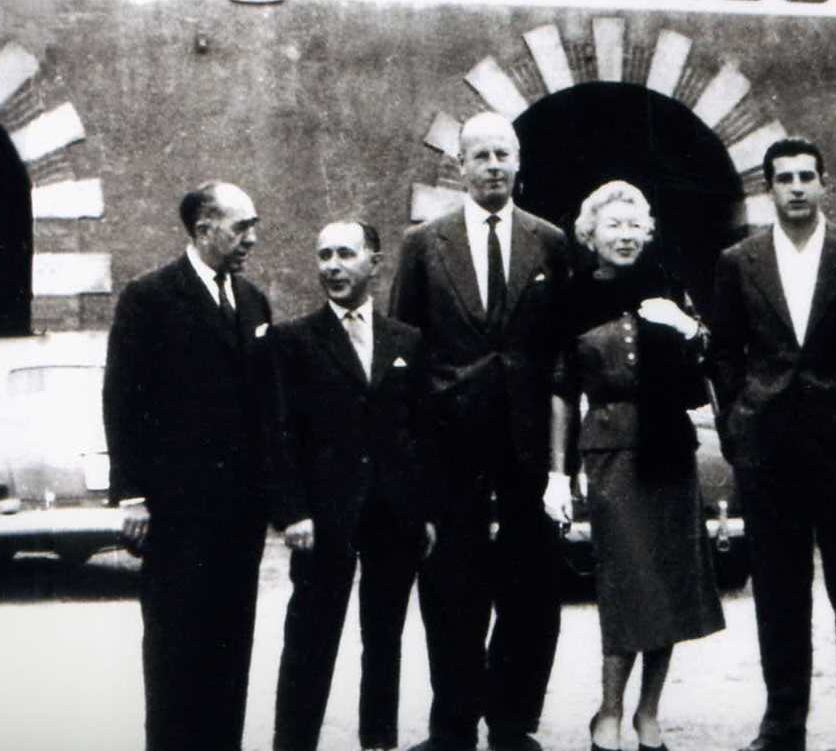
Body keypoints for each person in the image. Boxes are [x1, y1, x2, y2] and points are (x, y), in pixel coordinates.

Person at [709, 138, 836, 751]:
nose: (795, 187)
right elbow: (724, 355)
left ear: (824, 184)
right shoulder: (739, 262)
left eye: (805, 177)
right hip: (769, 450)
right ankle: (783, 722)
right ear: (768, 188)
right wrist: (739, 424)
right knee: (778, 591)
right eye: (783, 178)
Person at [388, 111, 571, 751]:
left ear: (519, 162)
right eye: (481, 156)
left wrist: (558, 466)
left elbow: (560, 356)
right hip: (449, 444)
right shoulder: (423, 245)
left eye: (503, 154)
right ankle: (453, 727)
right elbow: (403, 351)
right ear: (461, 166)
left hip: (525, 445)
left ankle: (512, 723)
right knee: (449, 589)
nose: (493, 166)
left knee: (531, 592)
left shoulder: (550, 242)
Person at [545, 181, 725, 751]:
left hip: (670, 449)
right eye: (612, 226)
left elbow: (708, 368)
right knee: (628, 584)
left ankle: (648, 713)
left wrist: (687, 327)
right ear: (590, 234)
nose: (624, 235)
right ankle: (609, 713)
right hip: (609, 454)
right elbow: (559, 389)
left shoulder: (668, 285)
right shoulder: (570, 296)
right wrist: (557, 473)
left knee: (670, 585)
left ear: (647, 233)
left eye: (634, 226)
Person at [103, 180, 273, 751]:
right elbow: (122, 399)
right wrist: (130, 495)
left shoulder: (252, 301)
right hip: (175, 517)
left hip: (239, 518)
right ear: (204, 229)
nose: (252, 237)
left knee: (231, 648)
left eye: (253, 226)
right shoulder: (148, 297)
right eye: (240, 226)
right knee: (176, 654)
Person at [267, 219, 437, 751]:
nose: (332, 267)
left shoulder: (406, 340)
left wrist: (424, 511)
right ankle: (293, 743)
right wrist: (293, 512)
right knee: (311, 637)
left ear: (375, 263)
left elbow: (420, 430)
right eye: (323, 256)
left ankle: (378, 740)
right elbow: (280, 433)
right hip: (322, 516)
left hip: (393, 513)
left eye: (344, 254)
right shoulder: (294, 340)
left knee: (384, 638)